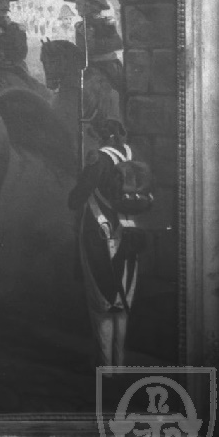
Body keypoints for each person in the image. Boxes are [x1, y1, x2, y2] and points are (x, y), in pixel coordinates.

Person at [68, 118, 151, 375]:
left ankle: (105, 367)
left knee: (102, 301)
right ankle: (119, 362)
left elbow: (75, 200)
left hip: (99, 231)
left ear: (99, 136)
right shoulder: (131, 154)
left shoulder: (99, 159)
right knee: (122, 301)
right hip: (129, 230)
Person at [0, 0, 49, 99]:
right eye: (0, 2)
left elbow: (21, 53)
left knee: (29, 93)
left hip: (13, 70)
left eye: (6, 2)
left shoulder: (16, 28)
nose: (5, 6)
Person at [64, 0, 124, 97]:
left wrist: (93, 41)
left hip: (108, 66)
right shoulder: (79, 26)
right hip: (88, 68)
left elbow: (117, 43)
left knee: (118, 91)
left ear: (88, 5)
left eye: (78, 3)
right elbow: (81, 50)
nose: (75, 7)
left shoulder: (107, 23)